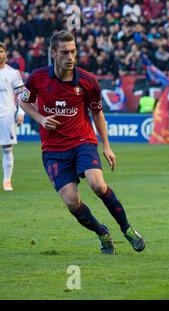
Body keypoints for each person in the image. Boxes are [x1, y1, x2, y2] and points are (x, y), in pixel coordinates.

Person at [18, 31, 145, 254]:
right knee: (72, 202)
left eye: (73, 52)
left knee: (97, 184)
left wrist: (106, 146)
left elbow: (97, 114)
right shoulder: (37, 78)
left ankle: (127, 229)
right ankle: (102, 233)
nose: (70, 57)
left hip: (82, 142)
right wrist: (40, 118)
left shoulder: (87, 81)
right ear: (53, 53)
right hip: (53, 150)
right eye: (65, 52)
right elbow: (24, 102)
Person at [0, 42, 25, 191]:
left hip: (6, 116)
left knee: (7, 148)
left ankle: (7, 181)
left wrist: (21, 113)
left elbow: (23, 94)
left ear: (5, 54)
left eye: (1, 51)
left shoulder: (13, 73)